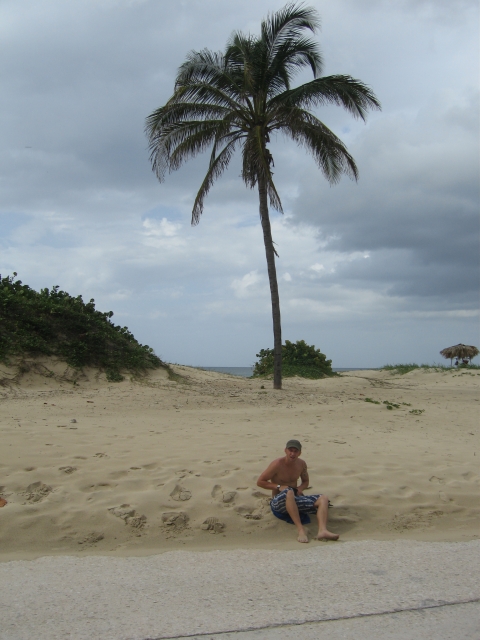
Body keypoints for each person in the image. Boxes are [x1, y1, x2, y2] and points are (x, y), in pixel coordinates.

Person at [257, 439, 339, 543]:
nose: (292, 454)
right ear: (285, 451)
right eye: (290, 450)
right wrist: (279, 486)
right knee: (289, 492)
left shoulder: (301, 464)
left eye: (295, 451)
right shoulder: (277, 464)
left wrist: (300, 489)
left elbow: (305, 481)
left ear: (299, 453)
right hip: (278, 502)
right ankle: (301, 530)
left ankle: (322, 530)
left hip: (295, 498)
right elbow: (260, 482)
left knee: (323, 498)